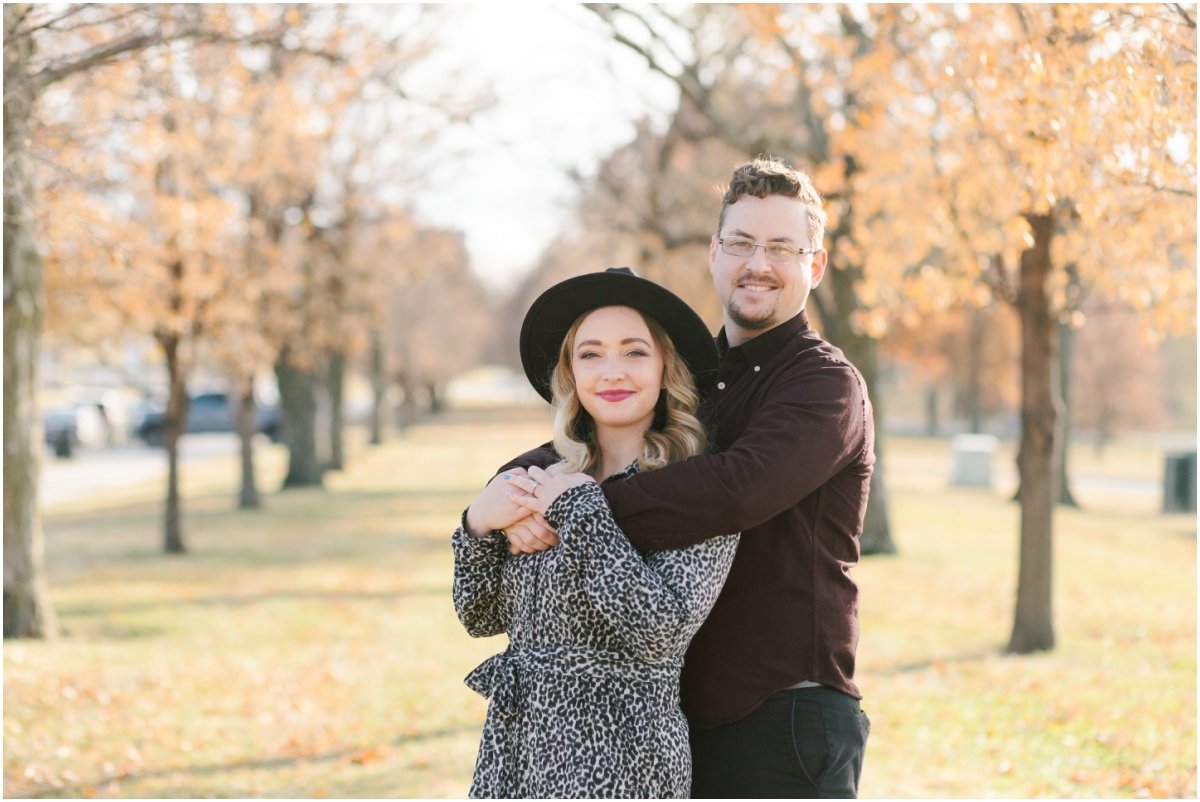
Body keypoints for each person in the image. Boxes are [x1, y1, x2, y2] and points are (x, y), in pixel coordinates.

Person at [492, 156, 874, 798]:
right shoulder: (694, 383)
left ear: (815, 265)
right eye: (742, 243)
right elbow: (580, 440)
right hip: (681, 717)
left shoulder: (825, 385)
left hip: (781, 718)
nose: (759, 263)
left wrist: (575, 505)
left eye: (782, 247)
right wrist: (503, 498)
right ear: (714, 254)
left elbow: (737, 489)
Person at [452, 267, 739, 798]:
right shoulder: (542, 479)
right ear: (570, 372)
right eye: (591, 354)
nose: (612, 372)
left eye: (634, 352)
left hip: (622, 760)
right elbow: (480, 617)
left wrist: (581, 512)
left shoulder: (696, 487)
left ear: (664, 368)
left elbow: (659, 634)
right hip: (516, 755)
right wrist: (477, 524)